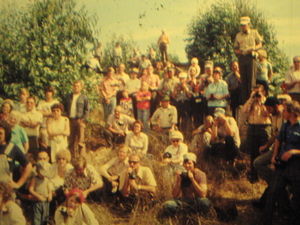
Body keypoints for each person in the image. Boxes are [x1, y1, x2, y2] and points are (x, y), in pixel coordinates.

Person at [262, 101, 300, 225]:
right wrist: (274, 157)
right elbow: (278, 140)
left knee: (297, 197)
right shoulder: (285, 125)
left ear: (292, 113)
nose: (283, 113)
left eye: (285, 111)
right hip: (282, 164)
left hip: (296, 165)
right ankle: (267, 221)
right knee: (272, 191)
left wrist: (294, 151)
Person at [252, 97, 285, 208]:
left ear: (275, 106)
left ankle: (276, 186)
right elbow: (275, 135)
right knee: (257, 163)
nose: (268, 111)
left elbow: (282, 138)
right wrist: (266, 146)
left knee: (276, 174)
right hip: (276, 148)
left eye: (269, 108)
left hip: (284, 150)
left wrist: (275, 155)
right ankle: (275, 183)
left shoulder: (284, 117)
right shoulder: (274, 117)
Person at [159, 153, 211, 219]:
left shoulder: (200, 174)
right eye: (185, 163)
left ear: (194, 164)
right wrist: (179, 181)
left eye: (189, 163)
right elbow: (174, 195)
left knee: (205, 202)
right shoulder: (182, 174)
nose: (187, 165)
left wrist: (192, 179)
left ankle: (198, 215)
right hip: (184, 201)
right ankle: (181, 215)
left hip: (197, 201)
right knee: (168, 205)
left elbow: (203, 194)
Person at [242, 85, 271, 182]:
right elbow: (244, 110)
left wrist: (261, 102)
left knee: (264, 151)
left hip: (263, 127)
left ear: (264, 92)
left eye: (259, 92)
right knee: (253, 152)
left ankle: (266, 175)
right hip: (252, 127)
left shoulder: (267, 101)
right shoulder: (251, 101)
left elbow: (267, 114)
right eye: (255, 91)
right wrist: (251, 98)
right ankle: (254, 176)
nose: (257, 94)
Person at [234, 16, 263, 104]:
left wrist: (254, 48)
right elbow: (235, 49)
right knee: (244, 81)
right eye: (242, 25)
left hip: (251, 57)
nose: (243, 27)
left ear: (249, 25)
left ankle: (253, 101)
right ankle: (245, 103)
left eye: (244, 25)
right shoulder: (238, 35)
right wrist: (240, 51)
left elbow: (261, 44)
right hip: (242, 57)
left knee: (251, 82)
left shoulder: (254, 33)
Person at [64, 80, 89, 155]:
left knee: (81, 141)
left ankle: (82, 159)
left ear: (81, 87)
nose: (76, 87)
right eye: (74, 86)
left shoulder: (84, 97)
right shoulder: (68, 97)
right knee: (70, 140)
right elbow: (64, 108)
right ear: (72, 87)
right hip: (70, 120)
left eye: (78, 86)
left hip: (79, 120)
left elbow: (87, 110)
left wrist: (83, 120)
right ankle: (71, 158)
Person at [28, 161, 53, 225]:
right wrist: (38, 196)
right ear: (38, 171)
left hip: (46, 202)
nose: (43, 175)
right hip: (37, 201)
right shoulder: (35, 179)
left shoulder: (47, 179)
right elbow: (30, 189)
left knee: (45, 218)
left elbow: (49, 189)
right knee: (37, 218)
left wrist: (50, 194)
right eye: (41, 173)